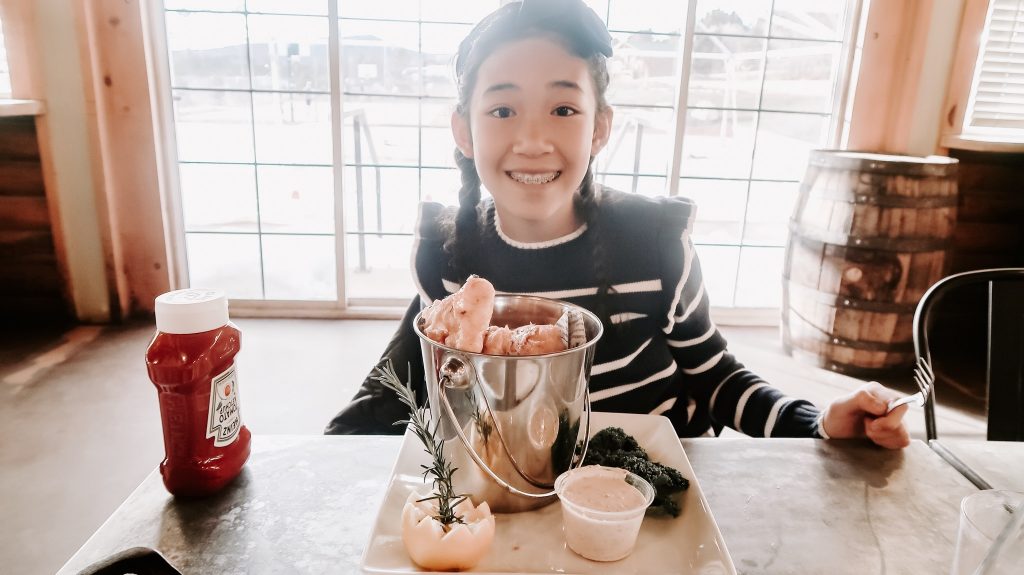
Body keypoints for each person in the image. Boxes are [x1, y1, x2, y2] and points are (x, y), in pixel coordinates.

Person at [325, 0, 911, 449]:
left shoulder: (655, 245)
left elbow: (716, 377)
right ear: (463, 129)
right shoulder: (446, 256)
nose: (532, 141)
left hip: (651, 493)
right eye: (502, 109)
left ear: (600, 127)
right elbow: (436, 390)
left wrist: (818, 424)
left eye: (564, 109)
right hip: (510, 488)